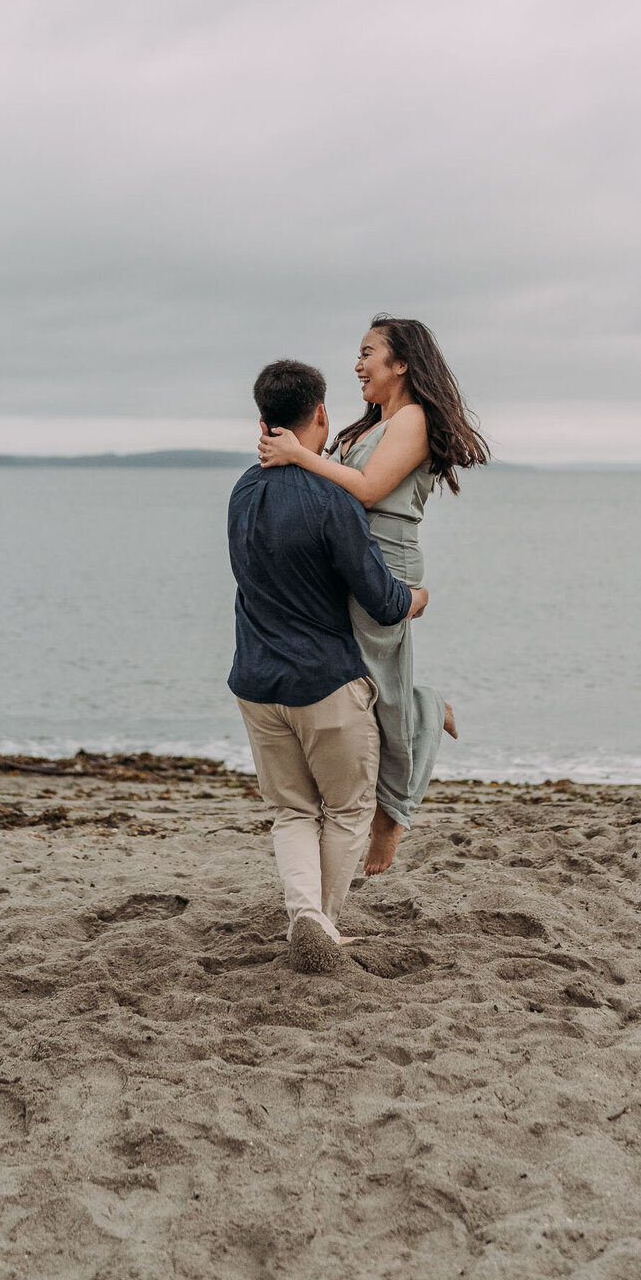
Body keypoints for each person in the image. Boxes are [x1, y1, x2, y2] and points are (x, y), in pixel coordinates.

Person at [257, 314, 488, 875]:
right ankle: (424, 709)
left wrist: (300, 456)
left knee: (382, 696)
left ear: (401, 364)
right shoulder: (365, 428)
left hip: (386, 564)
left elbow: (366, 489)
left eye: (367, 354)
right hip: (348, 561)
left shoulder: (412, 420)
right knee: (358, 687)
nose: (357, 366)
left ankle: (394, 814)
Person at [227, 357, 429, 972]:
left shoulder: (242, 490)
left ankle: (304, 915)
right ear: (319, 414)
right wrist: (418, 598)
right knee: (345, 810)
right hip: (324, 684)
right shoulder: (330, 498)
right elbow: (383, 600)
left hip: (257, 682)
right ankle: (321, 922)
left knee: (292, 810)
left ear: (264, 421)